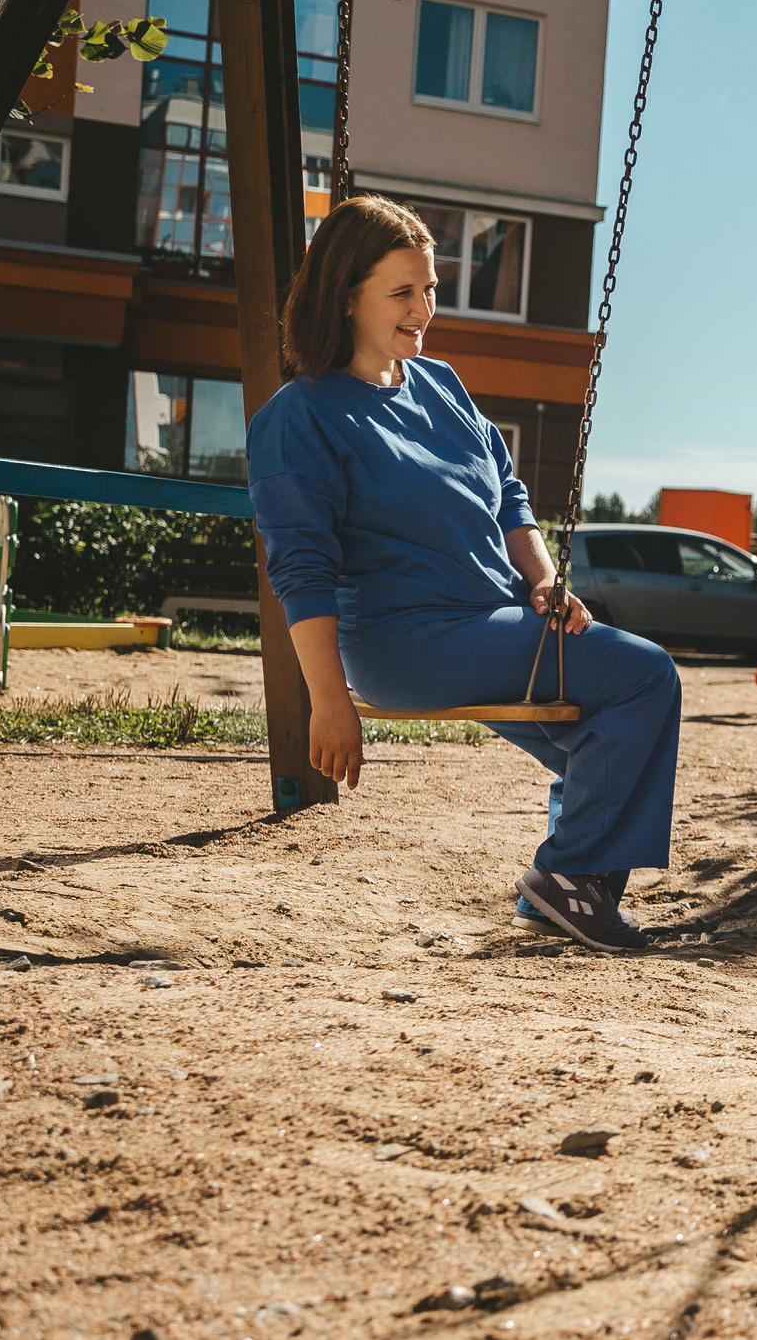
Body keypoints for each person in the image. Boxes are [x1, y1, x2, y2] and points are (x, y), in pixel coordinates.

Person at [246, 196, 681, 953]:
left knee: (607, 720)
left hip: (495, 615)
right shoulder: (302, 415)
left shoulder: (438, 383)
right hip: (405, 637)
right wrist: (327, 700)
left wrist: (543, 579)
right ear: (346, 297)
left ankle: (572, 887)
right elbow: (302, 568)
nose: (425, 309)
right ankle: (569, 876)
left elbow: (509, 493)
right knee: (644, 678)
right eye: (402, 292)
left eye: (431, 288)